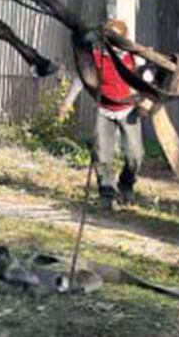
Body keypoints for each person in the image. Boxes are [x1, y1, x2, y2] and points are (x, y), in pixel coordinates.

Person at [58, 19, 152, 210]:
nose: (114, 42)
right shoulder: (98, 56)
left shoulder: (135, 58)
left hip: (128, 110)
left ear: (124, 39)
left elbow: (147, 79)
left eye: (117, 37)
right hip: (105, 110)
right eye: (110, 37)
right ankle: (106, 193)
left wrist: (146, 99)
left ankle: (126, 185)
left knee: (135, 156)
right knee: (102, 155)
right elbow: (81, 80)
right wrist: (67, 103)